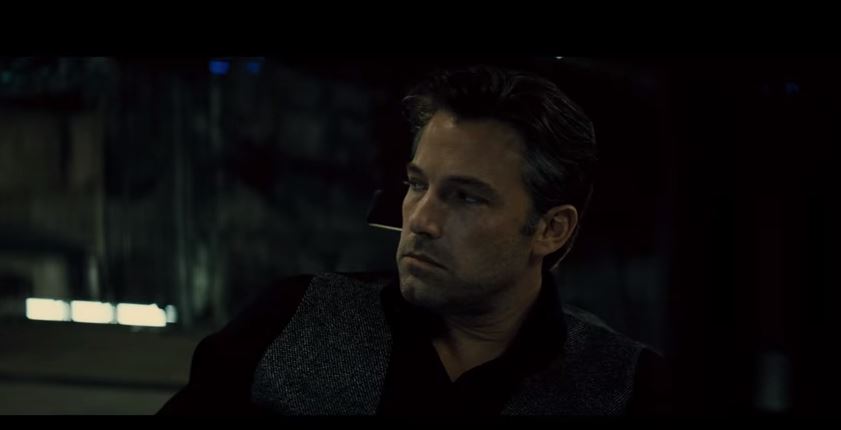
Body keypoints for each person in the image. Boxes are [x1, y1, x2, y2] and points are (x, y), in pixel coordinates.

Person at [158, 64, 671, 416]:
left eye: (466, 198)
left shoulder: (626, 388)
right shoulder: (294, 318)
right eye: (418, 185)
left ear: (550, 229)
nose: (421, 221)